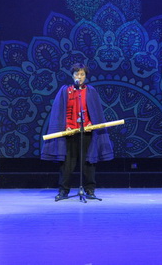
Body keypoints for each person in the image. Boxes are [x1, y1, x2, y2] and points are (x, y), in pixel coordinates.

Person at [41, 64, 114, 200]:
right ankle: (63, 191)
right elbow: (61, 112)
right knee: (67, 164)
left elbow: (95, 111)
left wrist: (91, 123)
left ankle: (90, 190)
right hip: (70, 133)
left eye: (82, 74)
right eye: (77, 74)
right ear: (72, 75)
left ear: (85, 76)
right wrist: (66, 126)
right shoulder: (65, 91)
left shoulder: (90, 91)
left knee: (89, 162)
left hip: (87, 132)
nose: (79, 77)